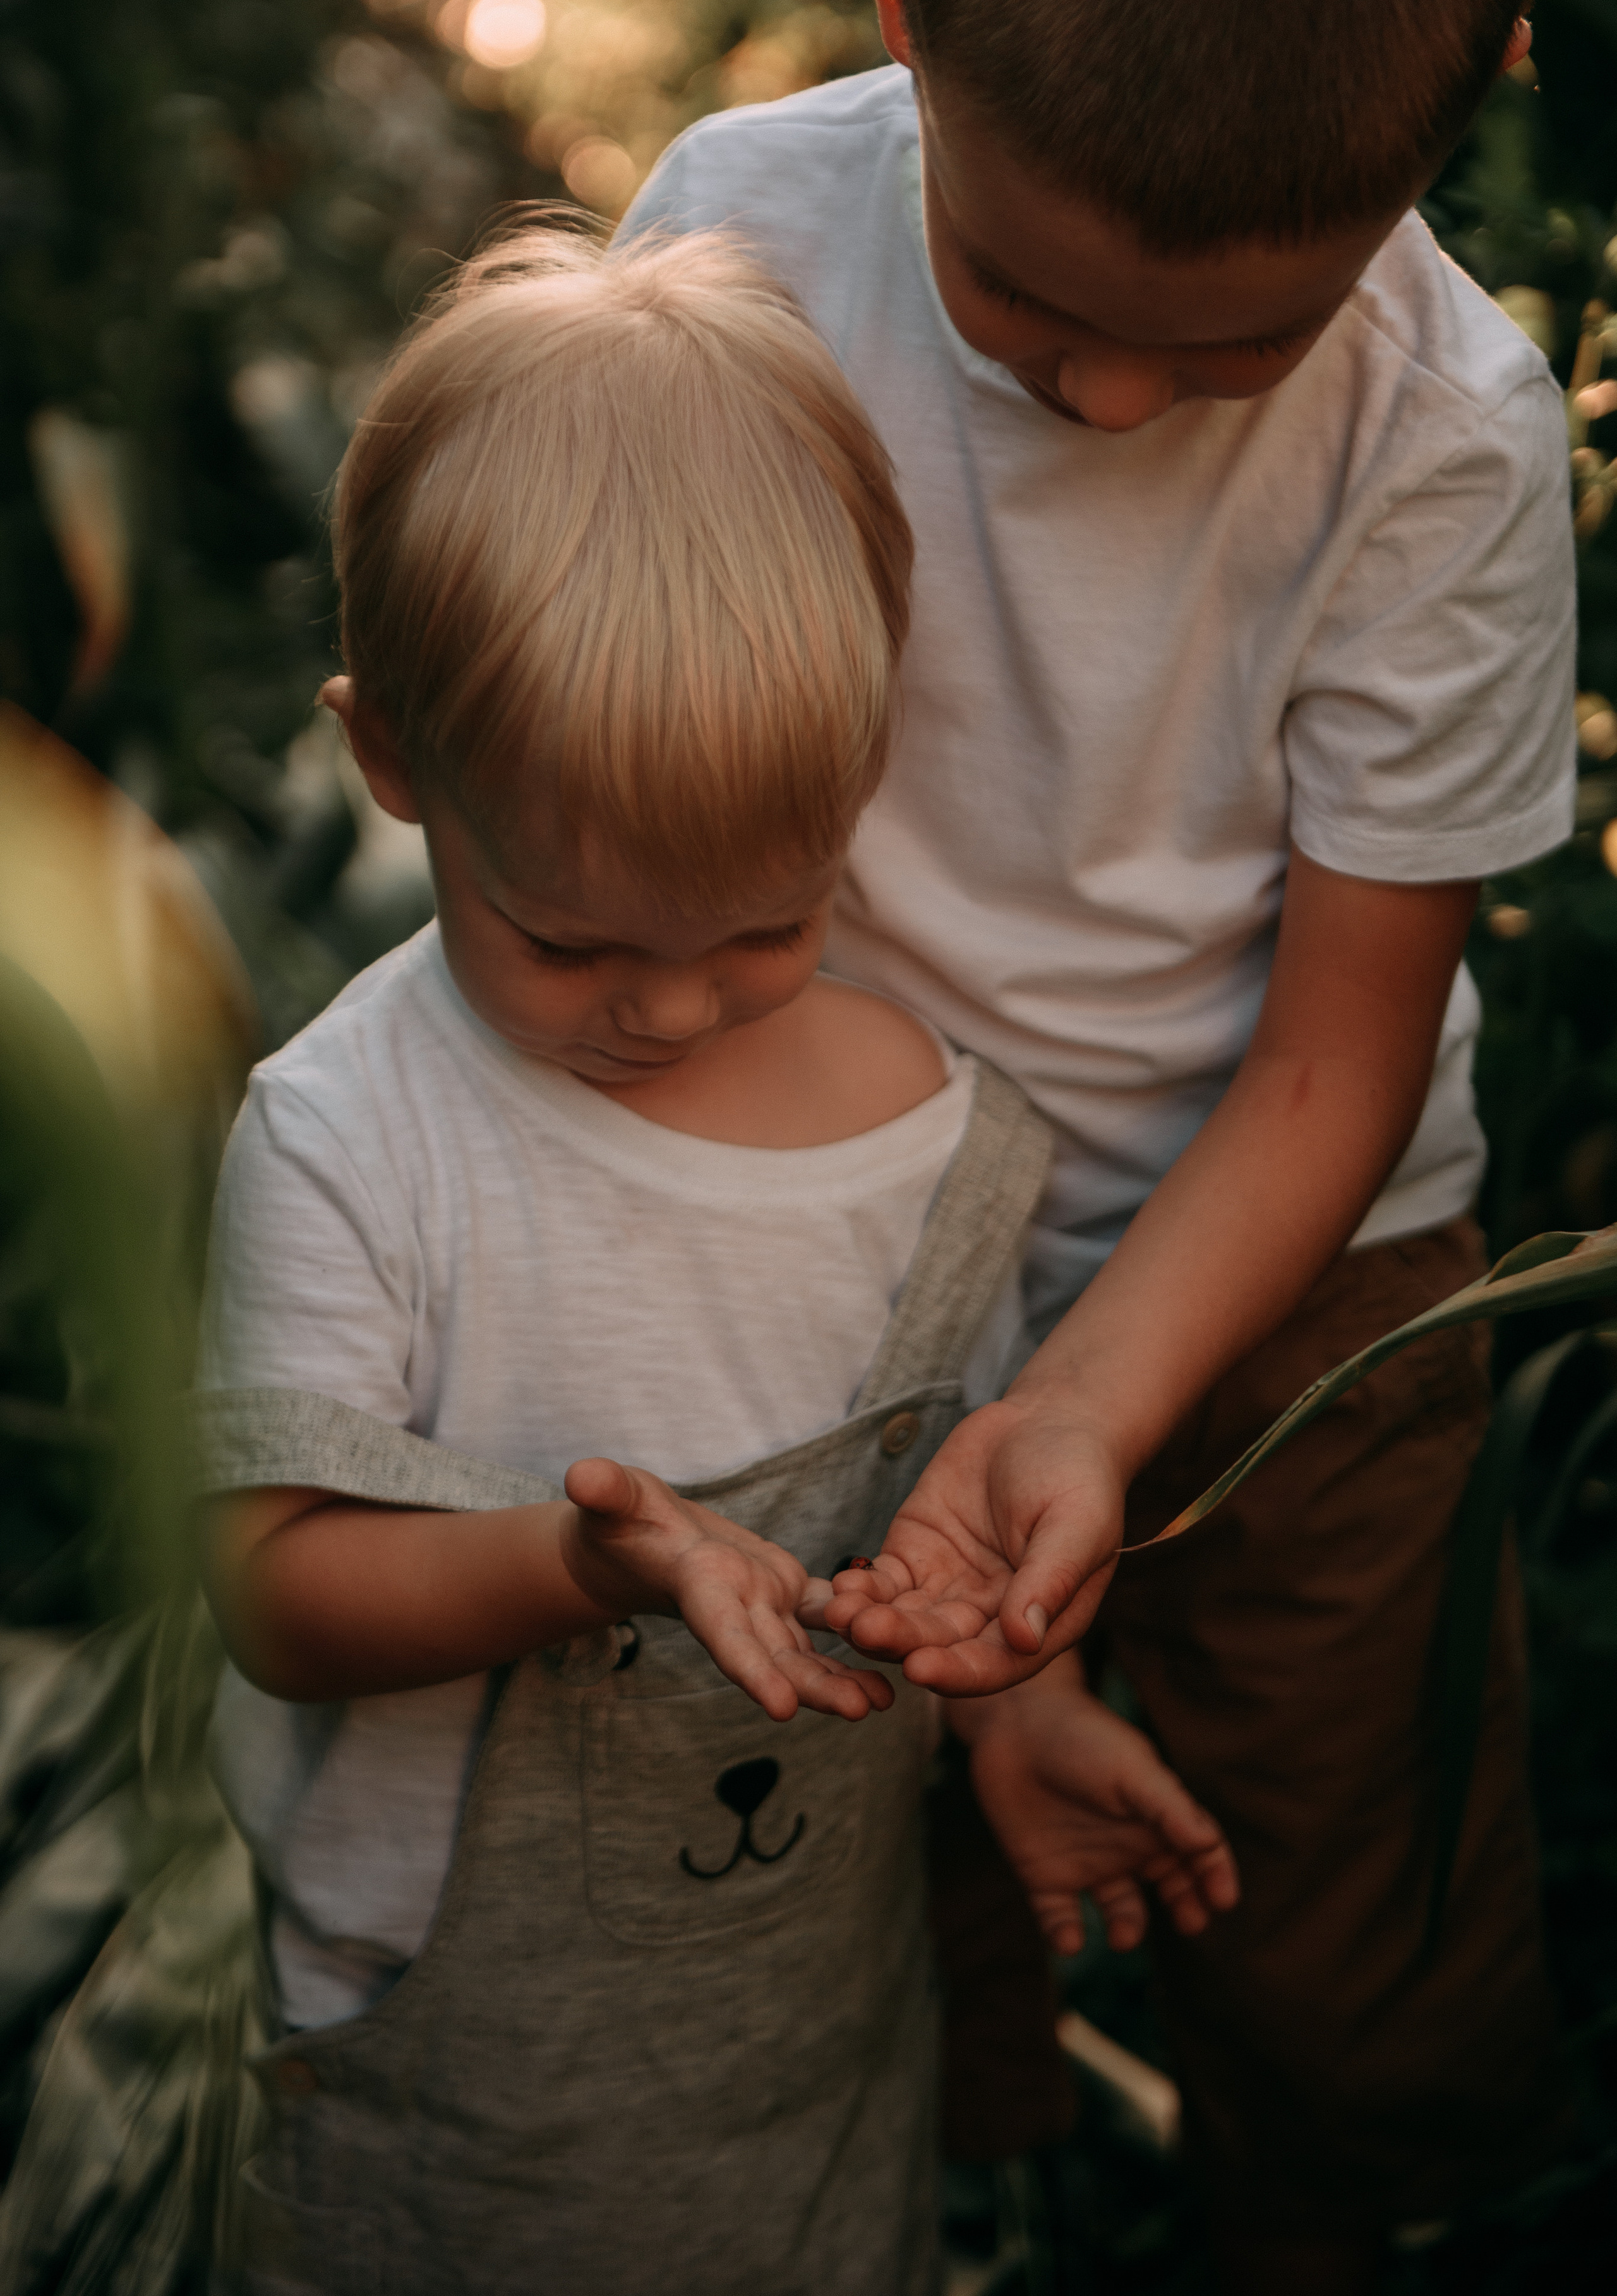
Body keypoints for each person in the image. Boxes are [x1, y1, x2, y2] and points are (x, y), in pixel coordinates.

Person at [617, 0, 1578, 2286]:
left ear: (1487, 101)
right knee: (854, 1860)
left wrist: (1083, 1409)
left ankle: (1342, 2211)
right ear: (893, 0)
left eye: (1240, 338)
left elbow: (1338, 1055)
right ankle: (965, 2200)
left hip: (1299, 1287)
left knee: (1345, 1897)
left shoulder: (1442, 434)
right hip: (826, 1222)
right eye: (1030, 303)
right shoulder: (730, 253)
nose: (1122, 398)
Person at [191, 227, 1236, 2296]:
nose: (667, 1009)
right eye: (568, 940)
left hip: (806, 2066)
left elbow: (960, 1504)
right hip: (436, 2092)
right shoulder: (352, 1134)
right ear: (395, 760)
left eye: (765, 924)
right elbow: (275, 1586)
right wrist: (579, 1566)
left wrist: (1024, 1712)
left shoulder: (938, 1143)